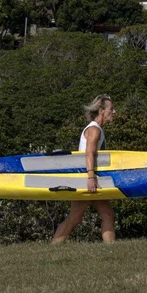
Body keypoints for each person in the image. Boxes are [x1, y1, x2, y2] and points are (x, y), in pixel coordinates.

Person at [50, 94, 116, 244]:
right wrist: (91, 178)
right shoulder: (94, 129)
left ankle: (112, 249)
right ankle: (54, 246)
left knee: (106, 213)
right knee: (75, 217)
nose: (114, 112)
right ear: (101, 110)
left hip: (88, 179)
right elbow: (89, 153)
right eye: (111, 109)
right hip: (86, 180)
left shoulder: (96, 128)